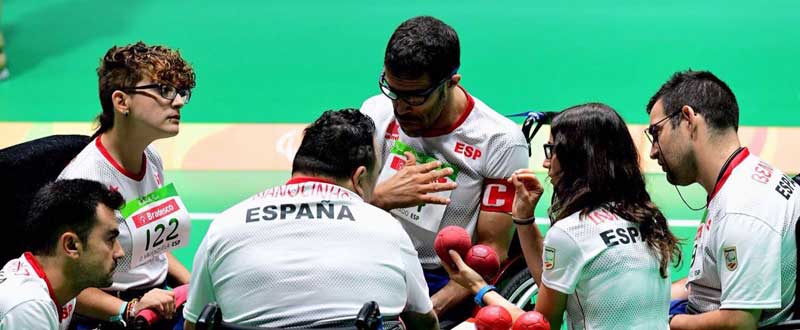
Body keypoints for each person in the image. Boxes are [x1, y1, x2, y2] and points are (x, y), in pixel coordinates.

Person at [183, 109, 438, 329]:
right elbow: (424, 323)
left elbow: (194, 323)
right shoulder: (388, 230)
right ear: (360, 178)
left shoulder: (225, 225)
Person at [445, 103, 683, 329]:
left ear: (576, 158)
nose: (545, 162)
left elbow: (542, 325)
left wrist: (479, 287)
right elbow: (555, 280)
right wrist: (524, 219)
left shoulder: (572, 231)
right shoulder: (649, 218)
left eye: (551, 150)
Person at [359, 16, 529, 324]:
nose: (400, 107)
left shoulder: (500, 141)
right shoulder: (374, 112)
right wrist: (380, 198)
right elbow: (341, 206)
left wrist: (428, 311)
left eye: (415, 97)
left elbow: (491, 248)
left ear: (451, 81)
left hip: (445, 280)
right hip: (376, 265)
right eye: (393, 91)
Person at [58, 41, 196, 329]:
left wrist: (194, 284)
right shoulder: (86, 181)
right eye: (163, 90)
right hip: (110, 316)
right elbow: (62, 281)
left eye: (180, 92)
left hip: (160, 303)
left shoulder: (151, 158)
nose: (179, 101)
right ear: (121, 102)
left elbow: (149, 247)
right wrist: (128, 308)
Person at [646, 70, 800, 329]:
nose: (652, 151)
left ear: (687, 119)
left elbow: (738, 323)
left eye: (656, 132)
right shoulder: (740, 178)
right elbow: (709, 281)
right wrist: (646, 299)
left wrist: (667, 322)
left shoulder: (743, 207)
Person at [0, 179, 125, 330]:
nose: (120, 252)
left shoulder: (62, 287)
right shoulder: (28, 307)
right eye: (110, 239)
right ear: (71, 245)